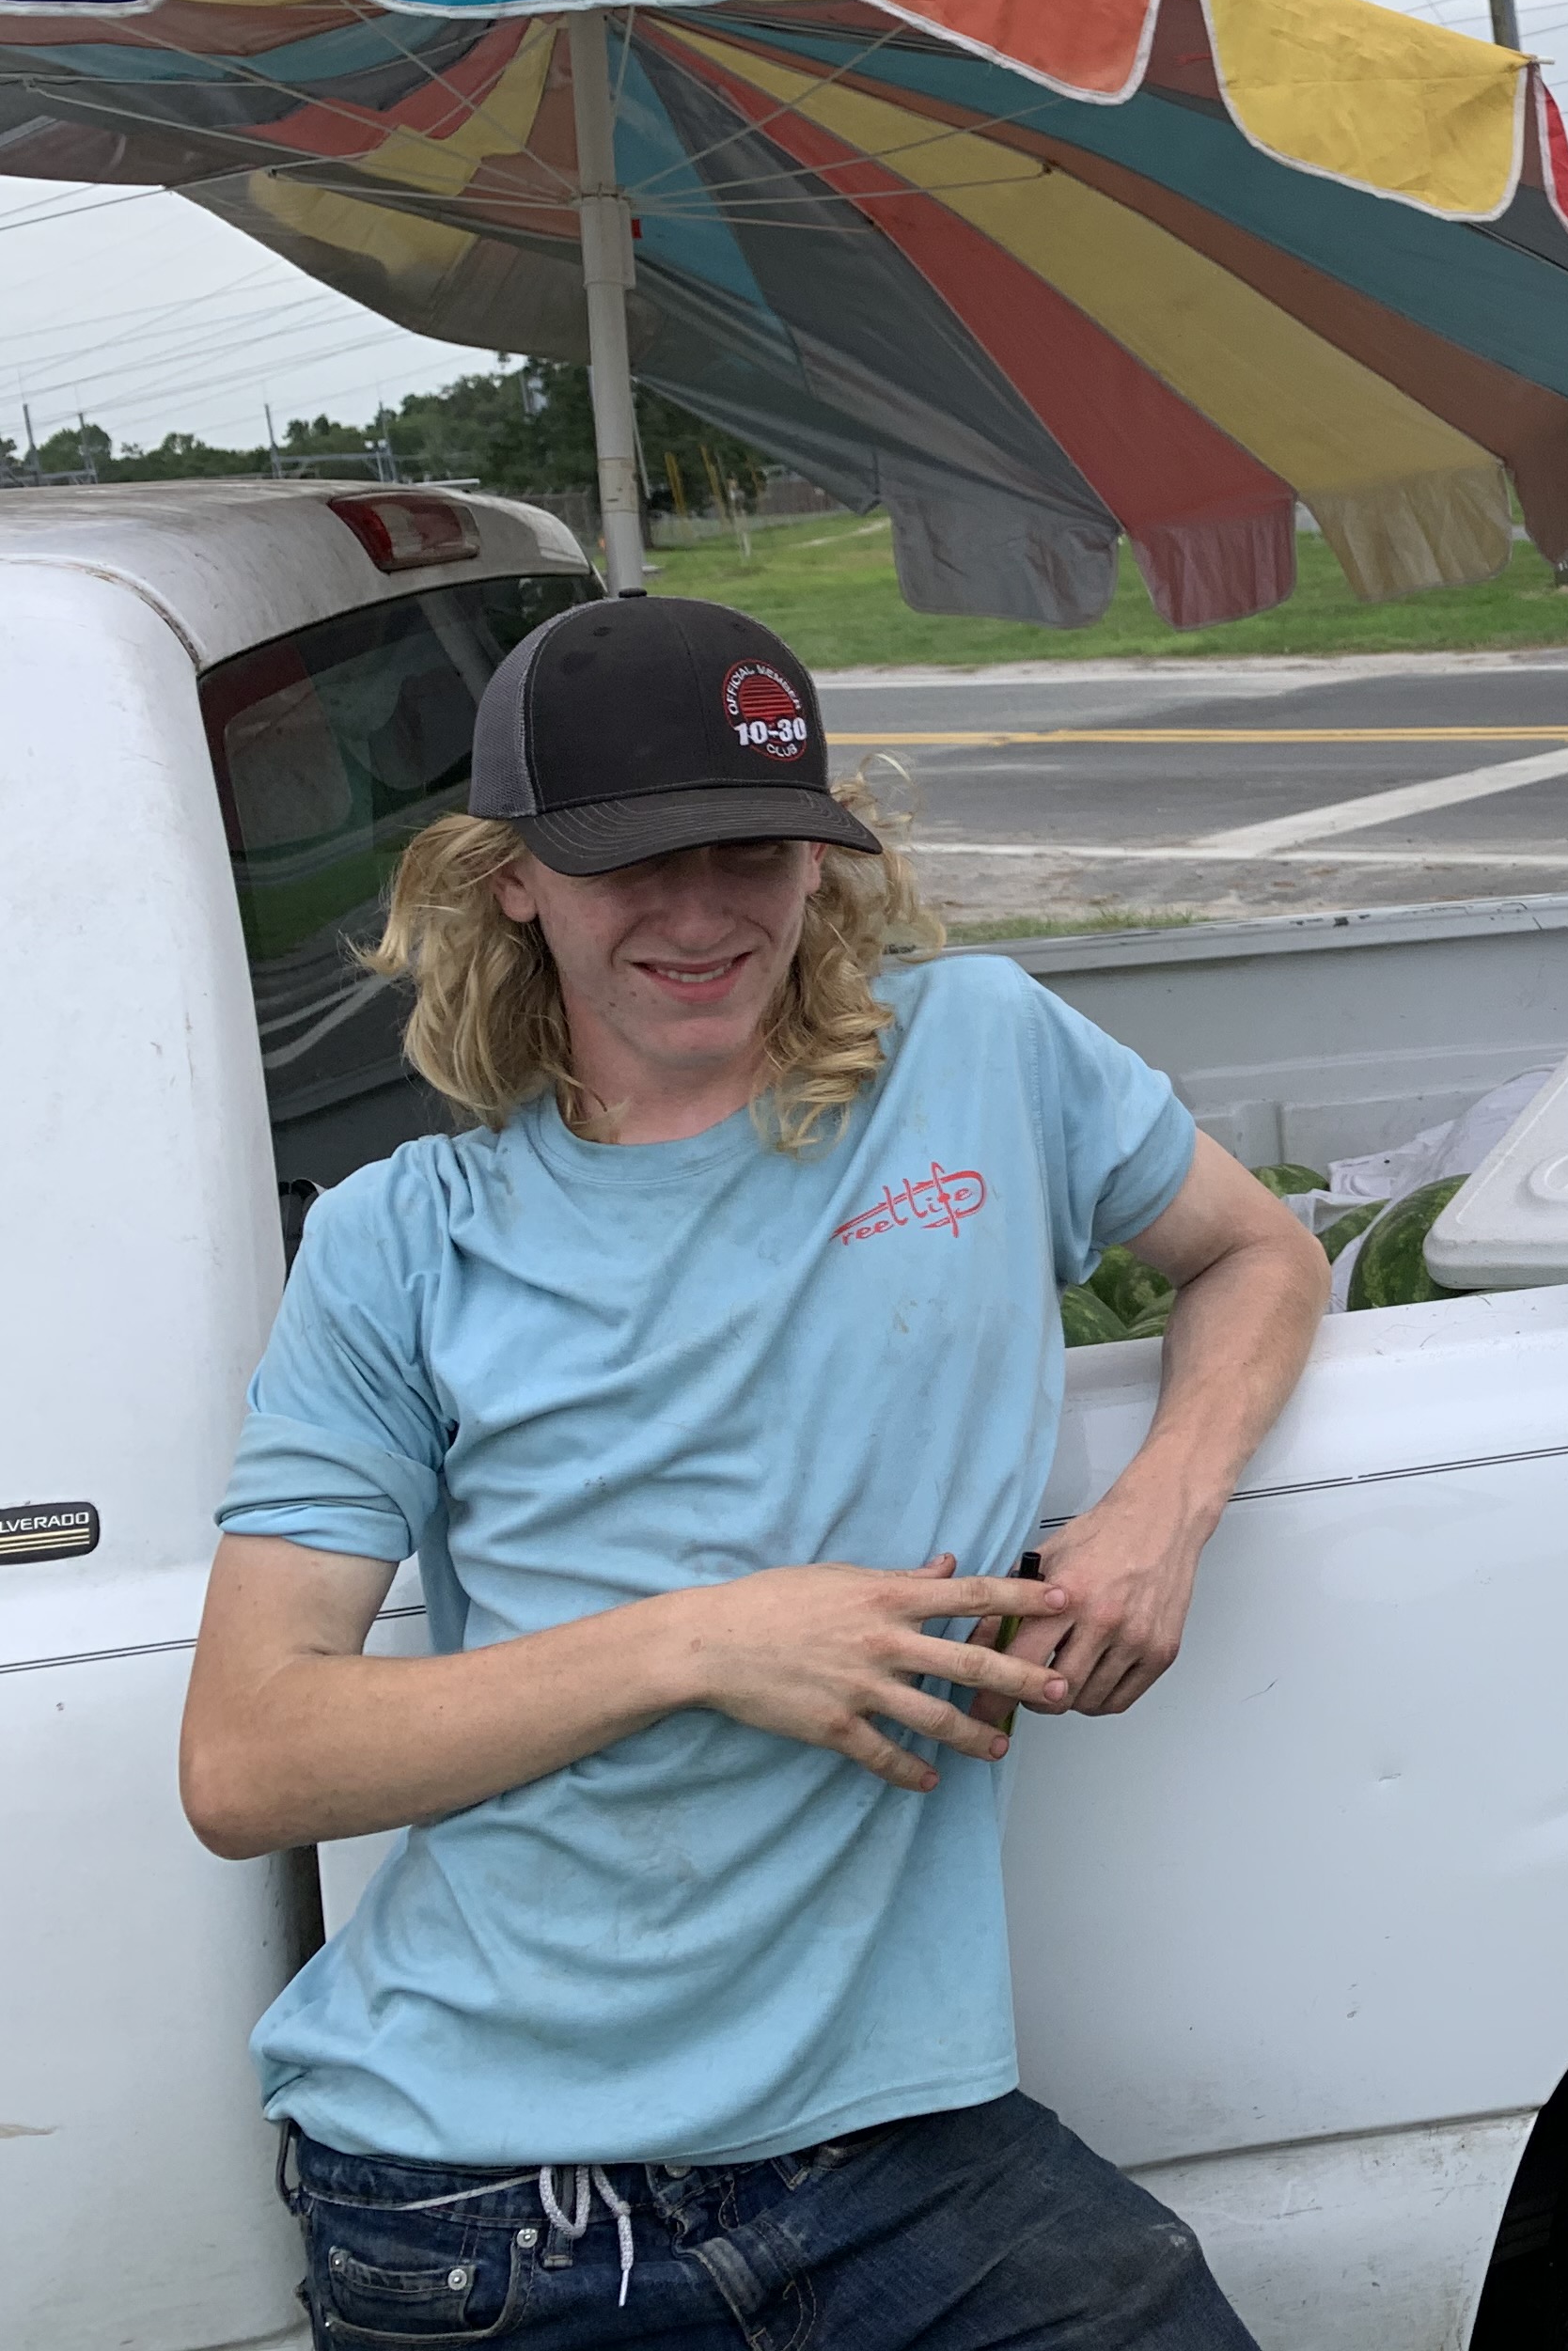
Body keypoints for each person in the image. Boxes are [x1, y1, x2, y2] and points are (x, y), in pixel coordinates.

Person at [179, 597, 1328, 2350]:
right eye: (637, 861)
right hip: (489, 2212)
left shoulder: (985, 1055)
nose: (708, 911)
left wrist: (1159, 1507)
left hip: (902, 2156)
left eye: (757, 849)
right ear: (511, 878)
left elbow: (1255, 1254)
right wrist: (707, 1640)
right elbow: (249, 1755)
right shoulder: (401, 1240)